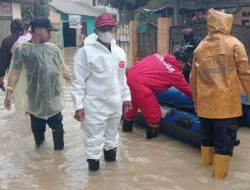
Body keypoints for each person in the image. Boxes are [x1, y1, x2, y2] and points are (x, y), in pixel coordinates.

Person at [190, 8, 250, 179]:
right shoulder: (234, 44)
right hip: (226, 107)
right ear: (227, 23)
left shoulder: (200, 47)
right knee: (224, 145)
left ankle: (204, 174)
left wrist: (196, 100)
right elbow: (245, 74)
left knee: (207, 140)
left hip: (205, 106)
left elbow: (192, 77)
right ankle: (218, 181)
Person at [71, 13, 131, 171]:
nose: (106, 31)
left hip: (115, 104)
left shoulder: (119, 52)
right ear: (96, 30)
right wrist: (78, 106)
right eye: (102, 28)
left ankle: (111, 177)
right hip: (94, 105)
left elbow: (122, 78)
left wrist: (126, 97)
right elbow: (78, 82)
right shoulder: (86, 52)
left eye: (109, 28)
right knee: (93, 141)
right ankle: (94, 178)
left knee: (112, 138)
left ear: (115, 29)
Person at [4, 17, 71, 151]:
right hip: (35, 101)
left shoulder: (54, 49)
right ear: (38, 30)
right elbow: (15, 73)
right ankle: (40, 158)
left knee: (58, 130)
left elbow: (63, 68)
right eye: (49, 31)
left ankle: (58, 161)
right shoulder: (22, 50)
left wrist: (69, 77)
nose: (51, 34)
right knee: (38, 135)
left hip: (54, 99)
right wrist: (9, 93)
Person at [122, 51, 193, 138]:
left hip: (129, 77)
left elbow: (139, 63)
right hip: (141, 86)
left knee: (130, 109)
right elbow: (188, 90)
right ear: (181, 62)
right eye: (185, 64)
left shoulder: (156, 56)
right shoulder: (175, 73)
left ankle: (126, 132)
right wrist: (199, 100)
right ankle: (151, 143)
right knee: (154, 115)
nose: (184, 67)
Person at [0, 19, 25, 91]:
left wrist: (1, 76)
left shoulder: (7, 41)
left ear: (11, 29)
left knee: (16, 96)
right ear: (23, 28)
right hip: (29, 74)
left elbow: (3, 61)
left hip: (13, 74)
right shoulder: (29, 38)